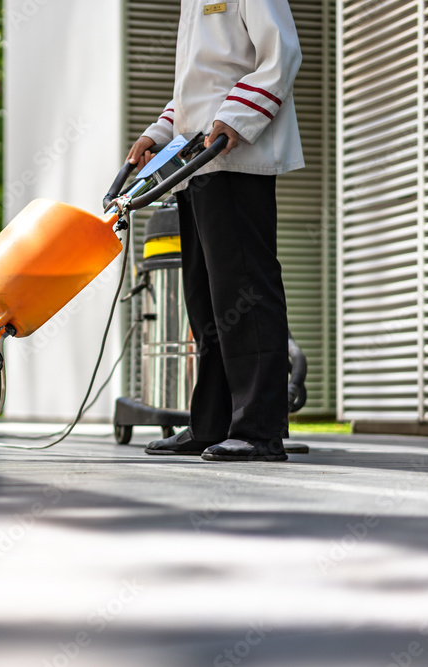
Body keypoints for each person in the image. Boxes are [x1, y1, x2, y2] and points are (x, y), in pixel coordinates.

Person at [129, 0, 303, 462]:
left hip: (239, 157)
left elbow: (282, 54)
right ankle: (211, 425)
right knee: (207, 302)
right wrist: (158, 133)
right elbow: (198, 90)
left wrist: (239, 119)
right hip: (198, 162)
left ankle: (259, 430)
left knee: (245, 293)